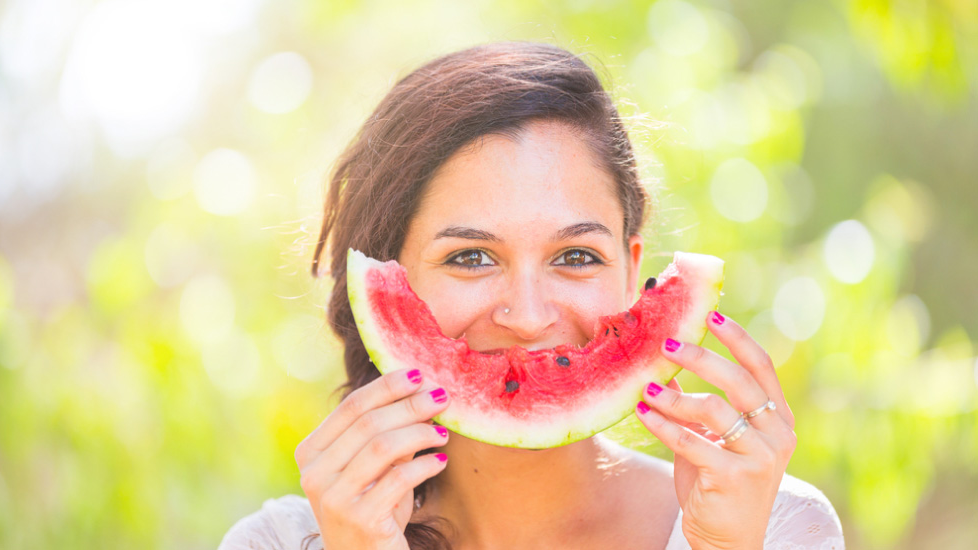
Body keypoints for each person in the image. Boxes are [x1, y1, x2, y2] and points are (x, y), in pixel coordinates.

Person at [219, 42, 844, 550]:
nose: (527, 315)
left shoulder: (775, 528)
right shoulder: (278, 542)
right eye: (470, 257)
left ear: (632, 275)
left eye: (575, 257)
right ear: (389, 284)